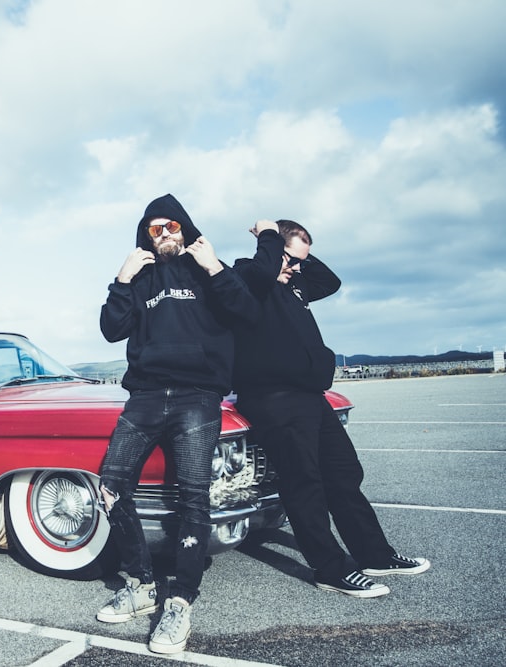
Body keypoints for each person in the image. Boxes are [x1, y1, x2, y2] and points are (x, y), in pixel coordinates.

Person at [231, 219, 430, 598]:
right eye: (289, 260)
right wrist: (270, 241)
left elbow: (331, 281)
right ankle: (330, 569)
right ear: (271, 251)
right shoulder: (247, 280)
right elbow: (260, 272)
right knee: (303, 482)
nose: (294, 269)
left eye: (299, 262)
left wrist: (297, 256)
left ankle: (374, 555)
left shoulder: (295, 285)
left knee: (343, 474)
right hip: (273, 398)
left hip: (308, 396)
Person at [96, 194, 258, 654]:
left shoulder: (206, 269)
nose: (164, 234)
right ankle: (143, 585)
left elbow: (247, 314)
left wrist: (216, 270)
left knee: (193, 496)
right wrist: (122, 278)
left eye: (171, 227)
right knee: (110, 487)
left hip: (196, 396)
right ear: (145, 235)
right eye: (154, 229)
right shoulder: (140, 277)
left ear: (185, 228)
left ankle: (181, 601)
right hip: (145, 396)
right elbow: (111, 329)